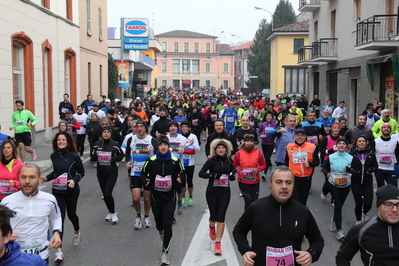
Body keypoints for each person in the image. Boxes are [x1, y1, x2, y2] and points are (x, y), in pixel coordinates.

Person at [233, 165, 324, 266]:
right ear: (270, 184)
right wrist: (245, 251)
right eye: (279, 182)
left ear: (293, 185)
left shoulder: (303, 211)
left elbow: (317, 239)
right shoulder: (256, 208)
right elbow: (239, 231)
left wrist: (311, 254)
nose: (284, 186)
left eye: (288, 182)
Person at [1, 163, 62, 263]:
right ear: (18, 178)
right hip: (15, 258)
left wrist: (57, 233)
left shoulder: (50, 199)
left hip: (41, 256)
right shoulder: (7, 202)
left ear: (40, 179)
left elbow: (56, 217)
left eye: (32, 177)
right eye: (23, 177)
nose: (27, 181)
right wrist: (5, 235)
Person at [140, 135, 184, 266]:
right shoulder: (152, 160)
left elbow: (182, 173)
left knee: (167, 224)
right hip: (156, 197)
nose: (163, 147)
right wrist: (145, 182)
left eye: (165, 145)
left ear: (168, 147)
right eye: (161, 145)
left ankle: (165, 252)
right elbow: (143, 173)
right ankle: (161, 231)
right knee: (159, 224)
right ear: (157, 147)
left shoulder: (175, 160)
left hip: (170, 198)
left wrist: (180, 181)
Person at [42, 132, 85, 261]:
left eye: (63, 140)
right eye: (58, 140)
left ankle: (77, 231)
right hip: (57, 191)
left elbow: (81, 172)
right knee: (59, 218)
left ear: (68, 142)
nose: (60, 142)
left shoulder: (74, 156)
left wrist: (74, 180)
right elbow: (56, 172)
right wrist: (46, 178)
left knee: (72, 215)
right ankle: (59, 251)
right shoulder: (53, 155)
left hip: (72, 190)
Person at [336, 184, 399, 265]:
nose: (395, 209)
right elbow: (342, 257)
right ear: (378, 206)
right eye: (388, 204)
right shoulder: (361, 230)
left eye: (398, 204)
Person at [199, 139, 235, 255]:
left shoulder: (230, 161)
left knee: (221, 216)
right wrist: (211, 175)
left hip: (225, 192)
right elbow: (201, 173)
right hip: (212, 191)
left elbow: (233, 172)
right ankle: (211, 226)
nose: (221, 149)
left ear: (226, 150)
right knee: (213, 216)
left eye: (223, 148)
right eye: (219, 148)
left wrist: (232, 176)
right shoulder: (211, 161)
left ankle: (218, 244)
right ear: (215, 150)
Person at [125, 120, 157, 230]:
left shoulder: (152, 140)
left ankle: (147, 216)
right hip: (135, 172)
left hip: (148, 173)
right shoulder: (131, 139)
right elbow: (128, 153)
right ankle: (139, 215)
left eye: (141, 126)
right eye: (137, 126)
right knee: (135, 198)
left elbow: (156, 156)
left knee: (147, 198)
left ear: (145, 128)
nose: (139, 128)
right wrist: (128, 162)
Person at [322, 138, 355, 240]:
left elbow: (355, 169)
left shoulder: (351, 158)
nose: (341, 145)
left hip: (346, 184)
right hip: (333, 183)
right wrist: (327, 173)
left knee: (340, 205)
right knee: (338, 206)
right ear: (336, 146)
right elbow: (325, 166)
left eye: (343, 144)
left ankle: (334, 219)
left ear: (346, 146)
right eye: (339, 144)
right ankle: (340, 231)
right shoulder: (331, 157)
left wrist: (350, 170)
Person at [91, 127, 123, 224]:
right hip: (101, 172)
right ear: (102, 134)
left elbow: (121, 156)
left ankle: (113, 213)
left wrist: (113, 158)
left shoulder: (115, 145)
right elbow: (92, 158)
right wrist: (96, 154)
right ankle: (110, 211)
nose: (106, 134)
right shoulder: (97, 145)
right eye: (104, 132)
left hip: (112, 172)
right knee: (105, 194)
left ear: (110, 134)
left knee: (108, 193)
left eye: (108, 132)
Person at [284, 128, 320, 206]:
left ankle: (302, 217)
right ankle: (295, 217)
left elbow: (317, 162)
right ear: (294, 136)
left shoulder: (312, 147)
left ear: (305, 136)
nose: (300, 137)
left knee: (303, 202)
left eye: (302, 135)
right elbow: (286, 161)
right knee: (296, 201)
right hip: (294, 178)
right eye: (298, 135)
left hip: (306, 179)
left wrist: (310, 164)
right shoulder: (289, 147)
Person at [349, 135, 377, 224]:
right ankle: (358, 220)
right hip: (355, 182)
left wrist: (372, 169)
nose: (361, 143)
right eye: (359, 141)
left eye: (363, 141)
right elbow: (347, 166)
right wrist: (351, 170)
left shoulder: (371, 153)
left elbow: (375, 166)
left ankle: (365, 212)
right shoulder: (352, 154)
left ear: (366, 143)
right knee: (359, 203)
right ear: (356, 143)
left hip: (367, 182)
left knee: (368, 203)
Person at [233, 134, 266, 210]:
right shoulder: (239, 153)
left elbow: (263, 165)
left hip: (255, 181)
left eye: (251, 141)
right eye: (247, 141)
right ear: (244, 142)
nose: (249, 143)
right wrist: (239, 171)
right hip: (243, 181)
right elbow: (233, 166)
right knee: (248, 201)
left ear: (253, 143)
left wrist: (258, 169)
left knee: (254, 202)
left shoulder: (258, 153)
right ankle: (247, 219)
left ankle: (253, 219)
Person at [371, 123, 399, 187]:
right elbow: (371, 154)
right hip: (379, 168)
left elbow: (397, 154)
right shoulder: (375, 141)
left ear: (390, 130)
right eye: (384, 127)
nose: (386, 129)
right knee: (381, 188)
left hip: (391, 168)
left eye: (388, 128)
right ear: (381, 129)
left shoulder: (395, 141)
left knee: (394, 188)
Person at [180, 121, 200, 207]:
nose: (184, 128)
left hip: (190, 163)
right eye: (182, 127)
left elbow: (198, 150)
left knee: (190, 181)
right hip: (181, 163)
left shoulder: (193, 136)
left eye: (185, 127)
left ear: (189, 128)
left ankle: (191, 197)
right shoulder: (179, 137)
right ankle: (183, 197)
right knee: (182, 182)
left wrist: (193, 144)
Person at [258, 113, 277, 181]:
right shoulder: (263, 124)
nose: (269, 117)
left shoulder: (274, 125)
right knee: (266, 157)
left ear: (272, 117)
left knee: (267, 157)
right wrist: (261, 136)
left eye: (270, 116)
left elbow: (277, 133)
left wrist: (275, 139)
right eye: (267, 116)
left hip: (271, 143)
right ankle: (270, 165)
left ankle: (264, 174)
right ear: (266, 117)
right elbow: (259, 132)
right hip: (264, 143)